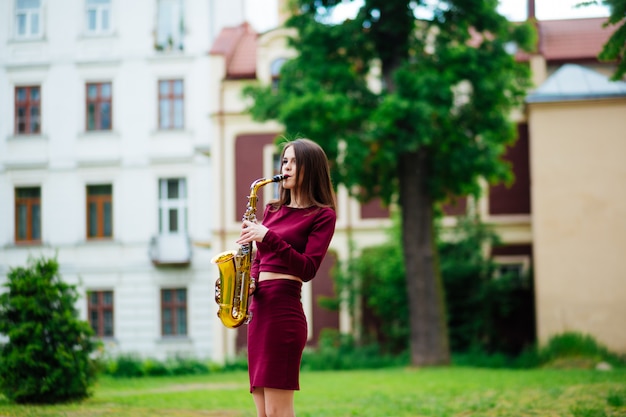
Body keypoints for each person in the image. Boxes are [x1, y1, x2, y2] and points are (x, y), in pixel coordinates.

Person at [236, 138, 337, 417]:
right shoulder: (271, 209)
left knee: (279, 413)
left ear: (311, 168)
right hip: (260, 311)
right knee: (264, 414)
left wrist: (268, 236)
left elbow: (307, 268)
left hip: (284, 313)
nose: (286, 167)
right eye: (284, 161)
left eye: (294, 161)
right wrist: (250, 282)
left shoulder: (322, 215)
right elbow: (259, 259)